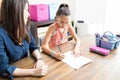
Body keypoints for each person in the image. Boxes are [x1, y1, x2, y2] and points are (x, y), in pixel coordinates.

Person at [0, 0, 48, 79]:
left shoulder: (24, 27)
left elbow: (33, 46)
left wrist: (39, 59)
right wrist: (33, 72)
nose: (28, 14)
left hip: (25, 70)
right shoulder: (1, 35)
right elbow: (3, 68)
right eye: (25, 10)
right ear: (15, 12)